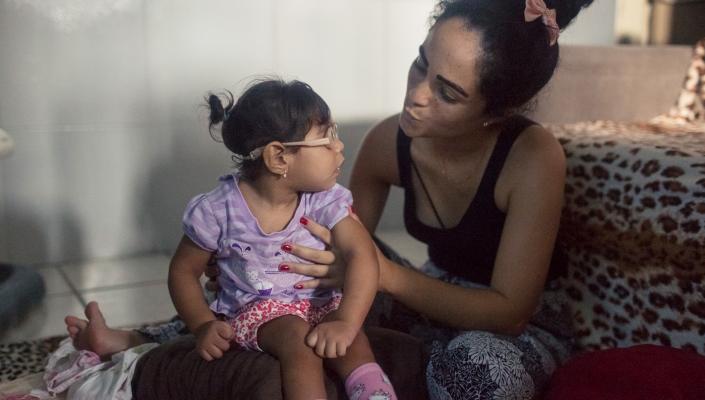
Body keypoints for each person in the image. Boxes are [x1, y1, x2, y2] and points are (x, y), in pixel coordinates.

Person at [66, 0, 594, 398]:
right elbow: (328, 248)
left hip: (510, 322)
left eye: (448, 92)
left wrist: (378, 275)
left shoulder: (531, 157)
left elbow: (510, 313)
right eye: (419, 65)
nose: (416, 93)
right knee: (284, 289)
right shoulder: (392, 138)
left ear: (494, 111)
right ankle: (142, 338)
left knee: (480, 375)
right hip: (423, 298)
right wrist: (254, 257)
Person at [67, 78, 397, 400]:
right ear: (278, 157)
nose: (339, 146)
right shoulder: (218, 210)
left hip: (323, 302)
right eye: (326, 139)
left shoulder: (325, 198)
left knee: (354, 342)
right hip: (260, 313)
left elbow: (362, 255)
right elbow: (183, 271)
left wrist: (346, 321)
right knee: (298, 340)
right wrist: (202, 325)